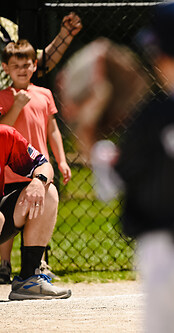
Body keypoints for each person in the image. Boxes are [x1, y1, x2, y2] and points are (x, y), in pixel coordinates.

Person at [58, 1, 174, 331]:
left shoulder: (153, 117)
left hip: (166, 255)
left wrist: (91, 140)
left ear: (160, 59)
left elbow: (117, 179)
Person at [0, 39, 72, 284]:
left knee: (43, 201)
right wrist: (17, 105)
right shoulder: (4, 96)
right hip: (10, 173)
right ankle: (4, 265)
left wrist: (60, 160)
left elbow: (53, 130)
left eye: (27, 64)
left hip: (36, 169)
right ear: (5, 68)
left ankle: (33, 267)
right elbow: (3, 130)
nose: (22, 69)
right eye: (15, 65)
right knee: (6, 222)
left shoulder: (44, 94)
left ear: (34, 66)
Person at [0, 124, 71, 300]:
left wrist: (38, 181)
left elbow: (43, 165)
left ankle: (29, 279)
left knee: (48, 192)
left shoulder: (4, 135)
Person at [0, 12, 83, 89]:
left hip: (16, 100)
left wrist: (64, 36)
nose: (22, 69)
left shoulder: (6, 26)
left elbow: (39, 63)